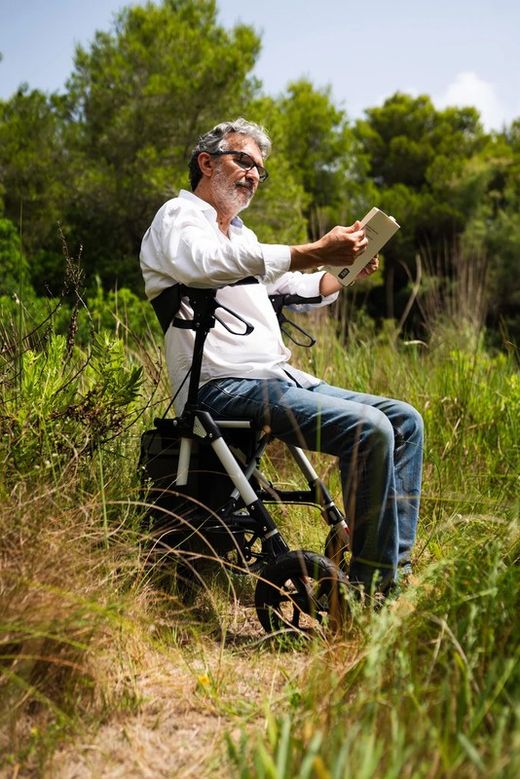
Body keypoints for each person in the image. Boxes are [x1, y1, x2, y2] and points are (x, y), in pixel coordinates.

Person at [140, 117, 423, 596]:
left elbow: (305, 286)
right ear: (207, 163)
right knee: (369, 429)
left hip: (277, 378)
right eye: (243, 161)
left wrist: (346, 265)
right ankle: (371, 595)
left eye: (259, 169)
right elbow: (204, 264)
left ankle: (390, 574)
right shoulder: (177, 219)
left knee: (404, 421)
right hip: (221, 385)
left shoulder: (243, 238)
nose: (252, 174)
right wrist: (309, 250)